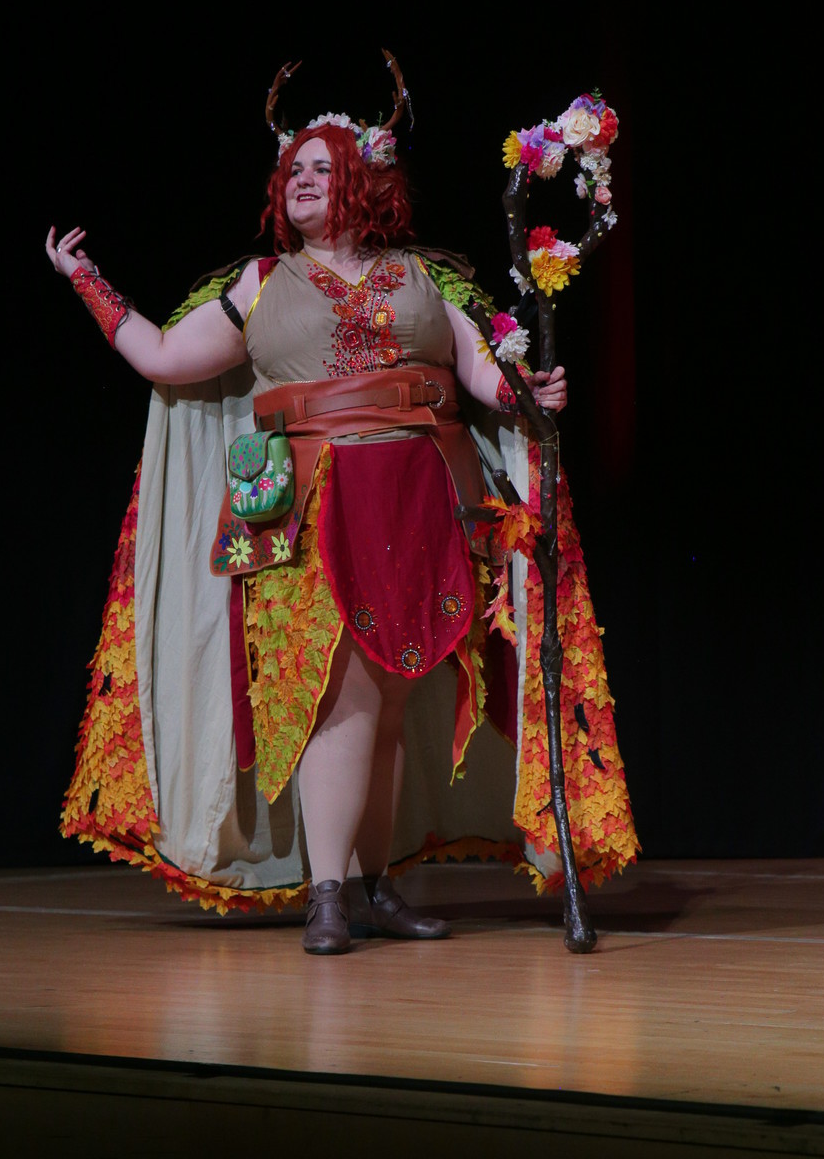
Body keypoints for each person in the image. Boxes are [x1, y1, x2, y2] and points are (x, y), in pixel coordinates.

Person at [49, 100, 637, 954]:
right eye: (293, 171)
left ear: (366, 181)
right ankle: (329, 893)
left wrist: (531, 394)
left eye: (322, 168)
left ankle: (373, 887)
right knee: (341, 693)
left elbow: (485, 374)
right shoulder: (259, 283)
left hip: (418, 500)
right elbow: (164, 359)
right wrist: (86, 280)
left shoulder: (428, 277)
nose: (302, 180)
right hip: (312, 505)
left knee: (387, 700)